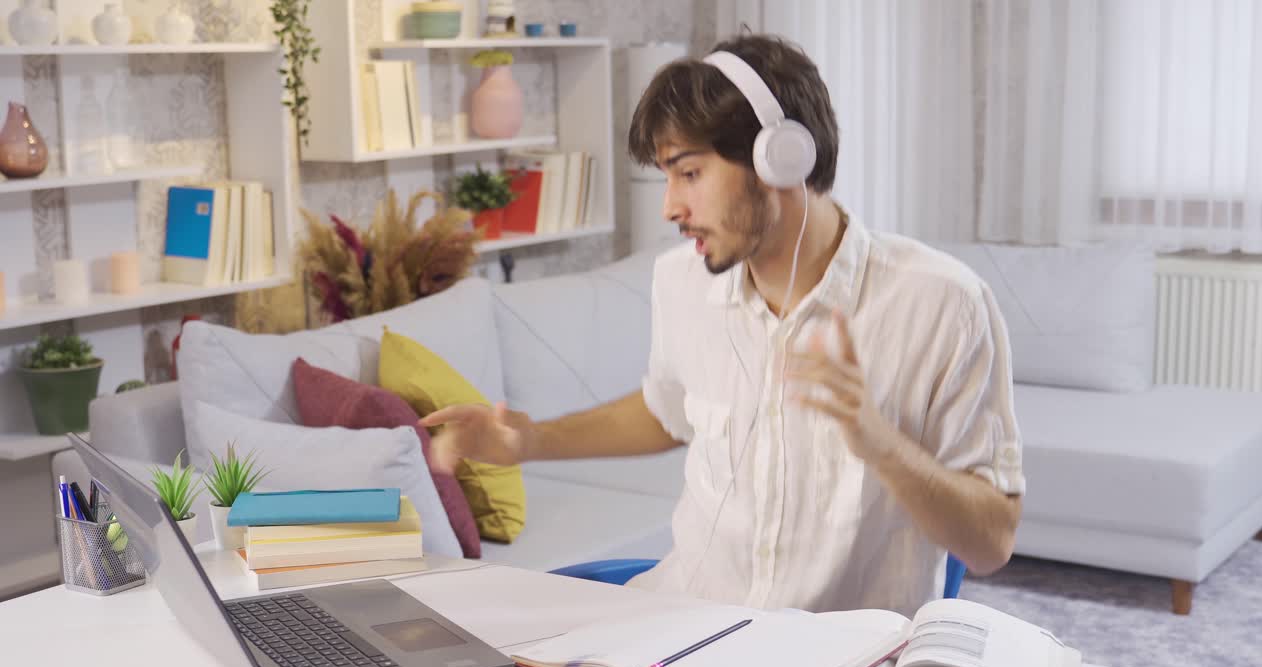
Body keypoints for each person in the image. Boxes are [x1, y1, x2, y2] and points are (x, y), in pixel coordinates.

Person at [421, 33, 1024, 616]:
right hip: (686, 628)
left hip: (843, 665)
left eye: (689, 174)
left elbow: (992, 542)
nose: (670, 207)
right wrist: (529, 442)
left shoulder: (943, 304)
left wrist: (881, 445)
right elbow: (666, 409)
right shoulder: (680, 282)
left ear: (780, 158)